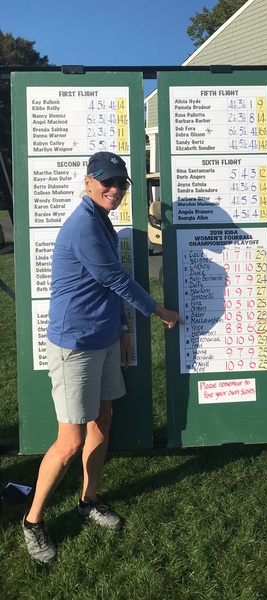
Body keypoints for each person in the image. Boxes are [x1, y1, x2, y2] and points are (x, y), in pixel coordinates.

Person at [22, 151, 183, 564]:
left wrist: (123, 330)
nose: (114, 189)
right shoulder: (84, 225)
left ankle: (88, 500)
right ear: (88, 181)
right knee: (70, 441)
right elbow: (114, 279)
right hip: (75, 344)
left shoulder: (103, 221)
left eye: (120, 183)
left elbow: (106, 287)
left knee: (103, 419)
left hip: (105, 337)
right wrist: (158, 311)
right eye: (106, 181)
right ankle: (33, 520)